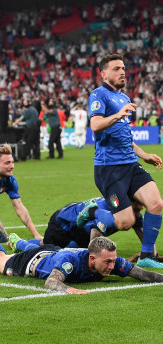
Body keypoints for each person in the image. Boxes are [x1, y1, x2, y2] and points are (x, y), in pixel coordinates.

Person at [87, 53, 163, 267]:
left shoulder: (124, 98)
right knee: (125, 221)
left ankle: (147, 256)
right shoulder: (98, 95)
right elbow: (95, 125)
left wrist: (144, 155)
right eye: (116, 68)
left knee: (156, 204)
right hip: (109, 169)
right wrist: (118, 114)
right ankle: (94, 213)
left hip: (131, 164)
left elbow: (124, 137)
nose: (122, 72)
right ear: (104, 74)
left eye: (123, 68)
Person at [0, 229, 163, 294]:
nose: (113, 267)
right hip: (33, 261)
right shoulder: (69, 262)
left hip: (52, 252)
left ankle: (18, 241)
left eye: (113, 262)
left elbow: (141, 273)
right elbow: (50, 282)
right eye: (108, 263)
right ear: (92, 258)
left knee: (46, 251)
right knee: (0, 262)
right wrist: (70, 289)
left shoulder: (110, 260)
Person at [16, 198, 144, 251]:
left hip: (82, 230)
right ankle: (17, 242)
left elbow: (144, 235)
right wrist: (94, 260)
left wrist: (148, 254)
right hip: (64, 223)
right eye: (138, 205)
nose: (141, 208)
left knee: (74, 249)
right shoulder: (109, 209)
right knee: (47, 251)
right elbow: (96, 234)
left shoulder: (133, 212)